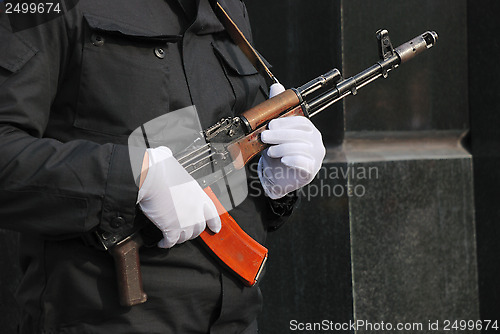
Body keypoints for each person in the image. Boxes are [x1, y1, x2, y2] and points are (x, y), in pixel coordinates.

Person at [0, 0, 325, 332]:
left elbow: (233, 152)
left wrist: (272, 184)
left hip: (236, 320)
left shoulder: (227, 7)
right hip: (106, 319)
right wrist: (131, 176)